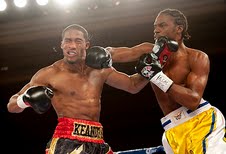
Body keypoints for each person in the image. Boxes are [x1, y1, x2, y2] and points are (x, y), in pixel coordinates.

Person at [7, 24, 150, 154]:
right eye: (68, 41)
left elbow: (132, 85)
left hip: (98, 141)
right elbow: (11, 105)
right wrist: (25, 99)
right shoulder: (50, 74)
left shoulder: (98, 69)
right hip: (67, 140)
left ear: (87, 45)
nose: (72, 45)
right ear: (62, 45)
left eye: (78, 41)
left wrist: (149, 70)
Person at [107, 8, 226, 154]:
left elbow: (193, 101)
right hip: (172, 128)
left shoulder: (196, 57)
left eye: (162, 26)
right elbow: (118, 53)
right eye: (155, 27)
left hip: (201, 121)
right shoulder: (149, 51)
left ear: (179, 29)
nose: (156, 30)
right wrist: (101, 53)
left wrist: (156, 76)